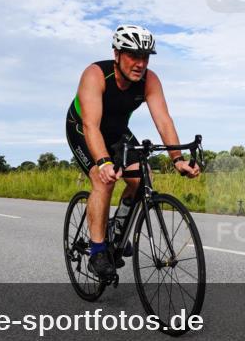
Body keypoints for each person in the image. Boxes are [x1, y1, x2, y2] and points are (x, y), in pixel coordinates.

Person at [66, 24, 200, 280]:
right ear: (116, 54)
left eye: (145, 57)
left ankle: (117, 227)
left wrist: (178, 159)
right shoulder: (95, 75)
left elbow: (163, 120)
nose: (140, 63)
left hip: (117, 131)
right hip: (83, 129)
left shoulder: (149, 80)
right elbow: (91, 125)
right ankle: (97, 251)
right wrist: (104, 163)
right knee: (101, 179)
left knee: (141, 177)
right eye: (133, 55)